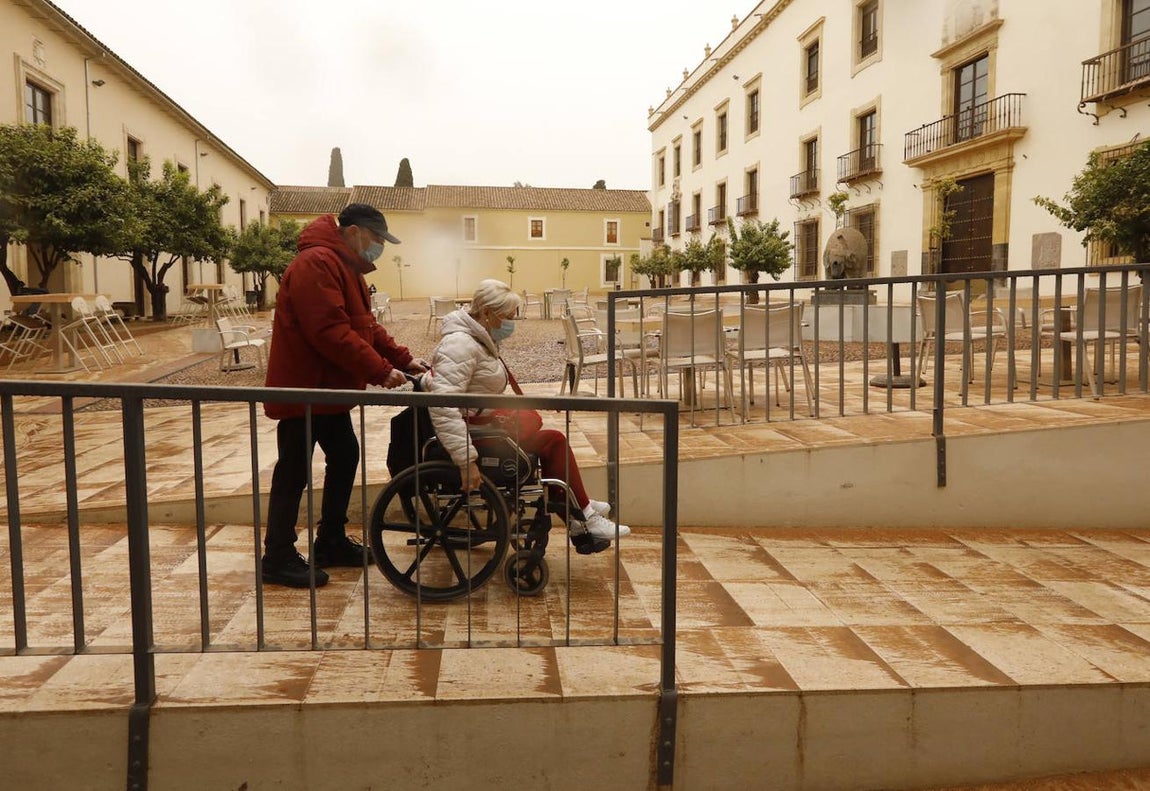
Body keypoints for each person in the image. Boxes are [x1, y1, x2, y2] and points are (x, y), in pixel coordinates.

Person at [262, 203, 428, 588]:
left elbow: (365, 327)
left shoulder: (345, 266)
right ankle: (277, 556)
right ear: (352, 231)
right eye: (375, 238)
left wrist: (404, 360)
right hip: (304, 388)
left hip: (325, 390)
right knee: (292, 470)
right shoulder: (317, 264)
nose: (378, 247)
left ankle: (331, 540)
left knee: (344, 454)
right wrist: (380, 371)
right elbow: (329, 331)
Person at [421, 279, 629, 542]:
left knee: (552, 440)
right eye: (507, 317)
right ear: (486, 313)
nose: (511, 324)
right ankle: (582, 515)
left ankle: (580, 509)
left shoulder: (475, 339)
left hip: (481, 427)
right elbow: (443, 404)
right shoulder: (461, 344)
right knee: (553, 441)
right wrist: (465, 460)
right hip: (475, 435)